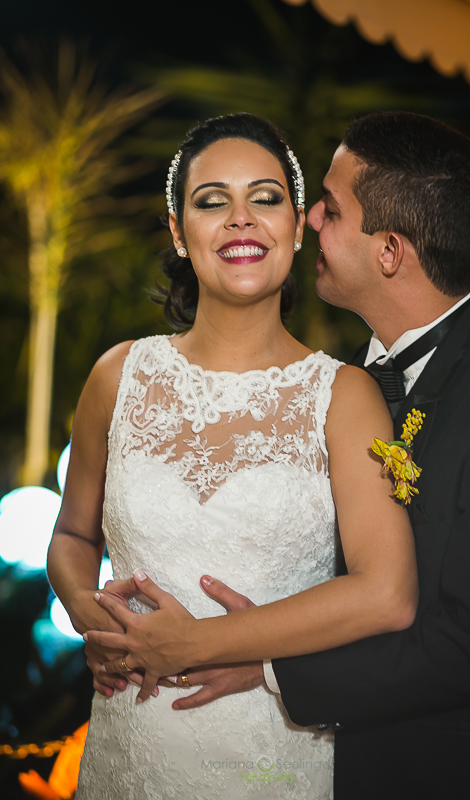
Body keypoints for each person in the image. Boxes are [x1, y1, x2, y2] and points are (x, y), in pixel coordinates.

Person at [86, 111, 470, 800]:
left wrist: (261, 666)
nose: (311, 219)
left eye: (327, 206)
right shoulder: (353, 378)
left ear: (388, 252)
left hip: (437, 773)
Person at [47, 112, 418, 799]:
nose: (240, 219)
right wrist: (91, 615)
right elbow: (72, 534)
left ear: (297, 223)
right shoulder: (116, 375)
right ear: (176, 231)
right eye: (211, 202)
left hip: (269, 752)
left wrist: (196, 644)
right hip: (127, 742)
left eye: (265, 198)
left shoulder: (344, 395)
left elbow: (385, 593)